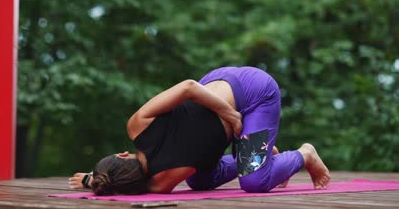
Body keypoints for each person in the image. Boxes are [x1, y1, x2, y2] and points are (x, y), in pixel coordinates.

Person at [68, 66, 331, 195]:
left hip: (252, 93)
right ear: (123, 155)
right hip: (232, 93)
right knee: (199, 181)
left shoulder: (160, 183)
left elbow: (190, 87)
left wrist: (228, 114)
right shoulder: (136, 126)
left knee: (253, 182)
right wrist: (99, 177)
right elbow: (187, 87)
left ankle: (305, 154)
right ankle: (269, 156)